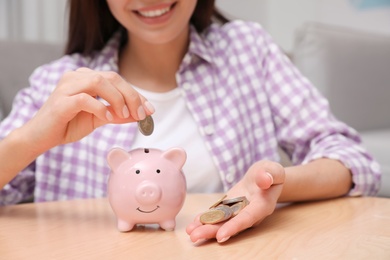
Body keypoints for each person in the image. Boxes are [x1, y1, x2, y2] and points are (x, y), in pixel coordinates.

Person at [0, 0, 381, 244]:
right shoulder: (59, 83)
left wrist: (277, 184)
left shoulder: (247, 51)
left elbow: (353, 161)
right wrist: (31, 139)